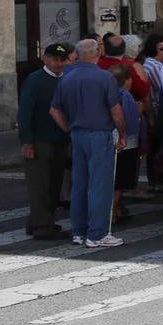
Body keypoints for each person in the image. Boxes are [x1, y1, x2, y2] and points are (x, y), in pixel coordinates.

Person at [49, 39, 127, 247]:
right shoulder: (105, 77)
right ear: (98, 52)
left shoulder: (66, 77)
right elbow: (116, 111)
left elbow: (54, 109)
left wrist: (68, 128)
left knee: (80, 184)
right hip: (99, 133)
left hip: (77, 133)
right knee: (99, 185)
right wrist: (123, 134)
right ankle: (98, 233)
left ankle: (79, 231)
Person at [18, 42, 72, 240]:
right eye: (55, 59)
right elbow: (25, 112)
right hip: (40, 139)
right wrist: (27, 141)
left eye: (62, 60)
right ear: (45, 59)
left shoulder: (65, 78)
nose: (59, 63)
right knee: (39, 184)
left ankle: (38, 220)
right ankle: (42, 226)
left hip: (59, 138)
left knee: (54, 184)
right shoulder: (36, 80)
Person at [108, 65, 141, 225]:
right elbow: (129, 122)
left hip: (108, 140)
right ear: (127, 80)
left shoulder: (105, 93)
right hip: (125, 142)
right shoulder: (124, 95)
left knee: (113, 179)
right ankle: (113, 211)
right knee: (119, 182)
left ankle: (117, 209)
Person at [140, 34, 163, 195]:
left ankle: (154, 180)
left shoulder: (149, 64)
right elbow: (162, 88)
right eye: (162, 49)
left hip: (152, 110)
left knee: (155, 148)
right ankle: (158, 180)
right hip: (157, 111)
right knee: (160, 148)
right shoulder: (155, 67)